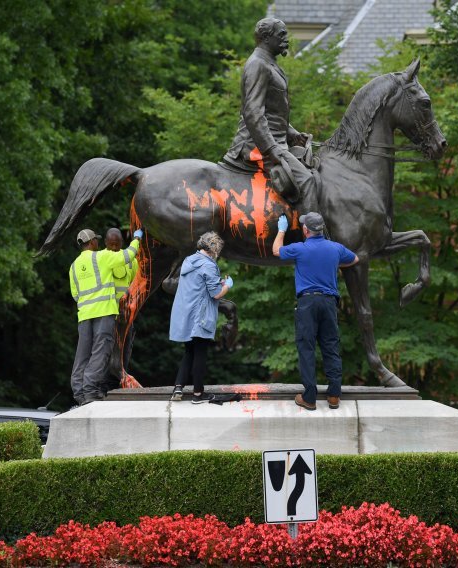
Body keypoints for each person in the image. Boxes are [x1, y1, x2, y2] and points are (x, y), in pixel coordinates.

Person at [221, 17, 316, 204]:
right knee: (306, 180)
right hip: (256, 145)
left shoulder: (269, 63)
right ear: (266, 38)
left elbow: (271, 113)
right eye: (281, 35)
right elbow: (253, 112)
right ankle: (313, 233)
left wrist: (292, 134)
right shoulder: (258, 64)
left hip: (276, 142)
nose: (286, 39)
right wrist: (271, 148)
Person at [272, 212, 358, 410]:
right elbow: (355, 259)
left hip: (307, 303)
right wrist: (335, 263)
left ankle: (309, 398)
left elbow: (276, 250)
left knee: (306, 348)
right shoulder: (335, 248)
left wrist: (282, 230)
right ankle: (334, 396)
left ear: (305, 230)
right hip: (329, 303)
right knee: (330, 347)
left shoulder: (300, 249)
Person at [69, 227, 142, 405]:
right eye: (97, 240)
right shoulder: (101, 257)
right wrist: (137, 239)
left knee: (83, 354)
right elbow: (128, 255)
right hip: (104, 313)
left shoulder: (74, 266)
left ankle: (79, 392)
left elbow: (75, 294)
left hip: (85, 315)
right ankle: (91, 390)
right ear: (92, 242)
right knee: (100, 353)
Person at [169, 232, 233, 403]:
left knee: (189, 351)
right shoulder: (209, 265)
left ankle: (178, 388)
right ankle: (198, 394)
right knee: (200, 353)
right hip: (201, 317)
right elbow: (216, 294)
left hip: (187, 315)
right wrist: (227, 285)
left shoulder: (189, 261)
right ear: (214, 249)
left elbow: (198, 285)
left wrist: (217, 283)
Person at [104, 228, 141, 394]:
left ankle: (119, 386)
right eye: (111, 244)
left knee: (124, 352)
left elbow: (135, 284)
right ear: (105, 243)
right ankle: (104, 387)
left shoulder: (130, 260)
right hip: (107, 314)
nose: (113, 247)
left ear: (121, 243)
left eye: (117, 244)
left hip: (125, 316)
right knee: (105, 352)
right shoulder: (102, 258)